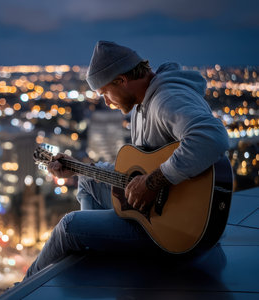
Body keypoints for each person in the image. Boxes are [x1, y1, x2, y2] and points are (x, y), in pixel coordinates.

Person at [25, 41, 229, 278]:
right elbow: (143, 168)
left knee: (69, 227)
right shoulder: (144, 103)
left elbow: (212, 137)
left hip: (175, 230)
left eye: (105, 93)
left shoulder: (166, 98)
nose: (107, 102)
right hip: (157, 213)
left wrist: (153, 183)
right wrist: (78, 167)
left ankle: (22, 286)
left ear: (121, 80)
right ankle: (96, 245)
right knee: (87, 182)